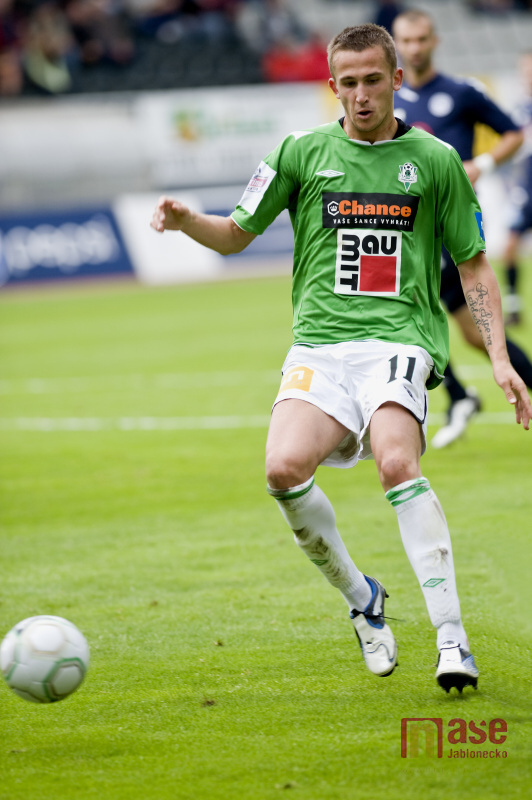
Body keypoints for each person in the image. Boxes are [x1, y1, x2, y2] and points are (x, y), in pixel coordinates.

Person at [150, 23, 532, 693]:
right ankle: (363, 598)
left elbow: (473, 265)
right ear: (333, 86)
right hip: (320, 346)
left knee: (396, 461)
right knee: (282, 470)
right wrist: (187, 221)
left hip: (399, 341)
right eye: (348, 83)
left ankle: (452, 638)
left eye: (372, 80)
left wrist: (499, 357)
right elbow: (235, 234)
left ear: (396, 80)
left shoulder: (435, 159)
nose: (360, 95)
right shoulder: (299, 152)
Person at [393, 8, 532, 449]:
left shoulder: (461, 92)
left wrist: (480, 164)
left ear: (434, 41)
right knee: (465, 330)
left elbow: (513, 133)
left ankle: (458, 395)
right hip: (407, 226)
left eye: (421, 39)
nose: (414, 48)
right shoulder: (387, 99)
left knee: (415, 314)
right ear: (397, 45)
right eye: (406, 41)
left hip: (451, 225)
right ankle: (458, 395)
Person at [502, 51, 532, 325]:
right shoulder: (519, 109)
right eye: (526, 70)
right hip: (525, 192)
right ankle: (513, 304)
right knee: (509, 246)